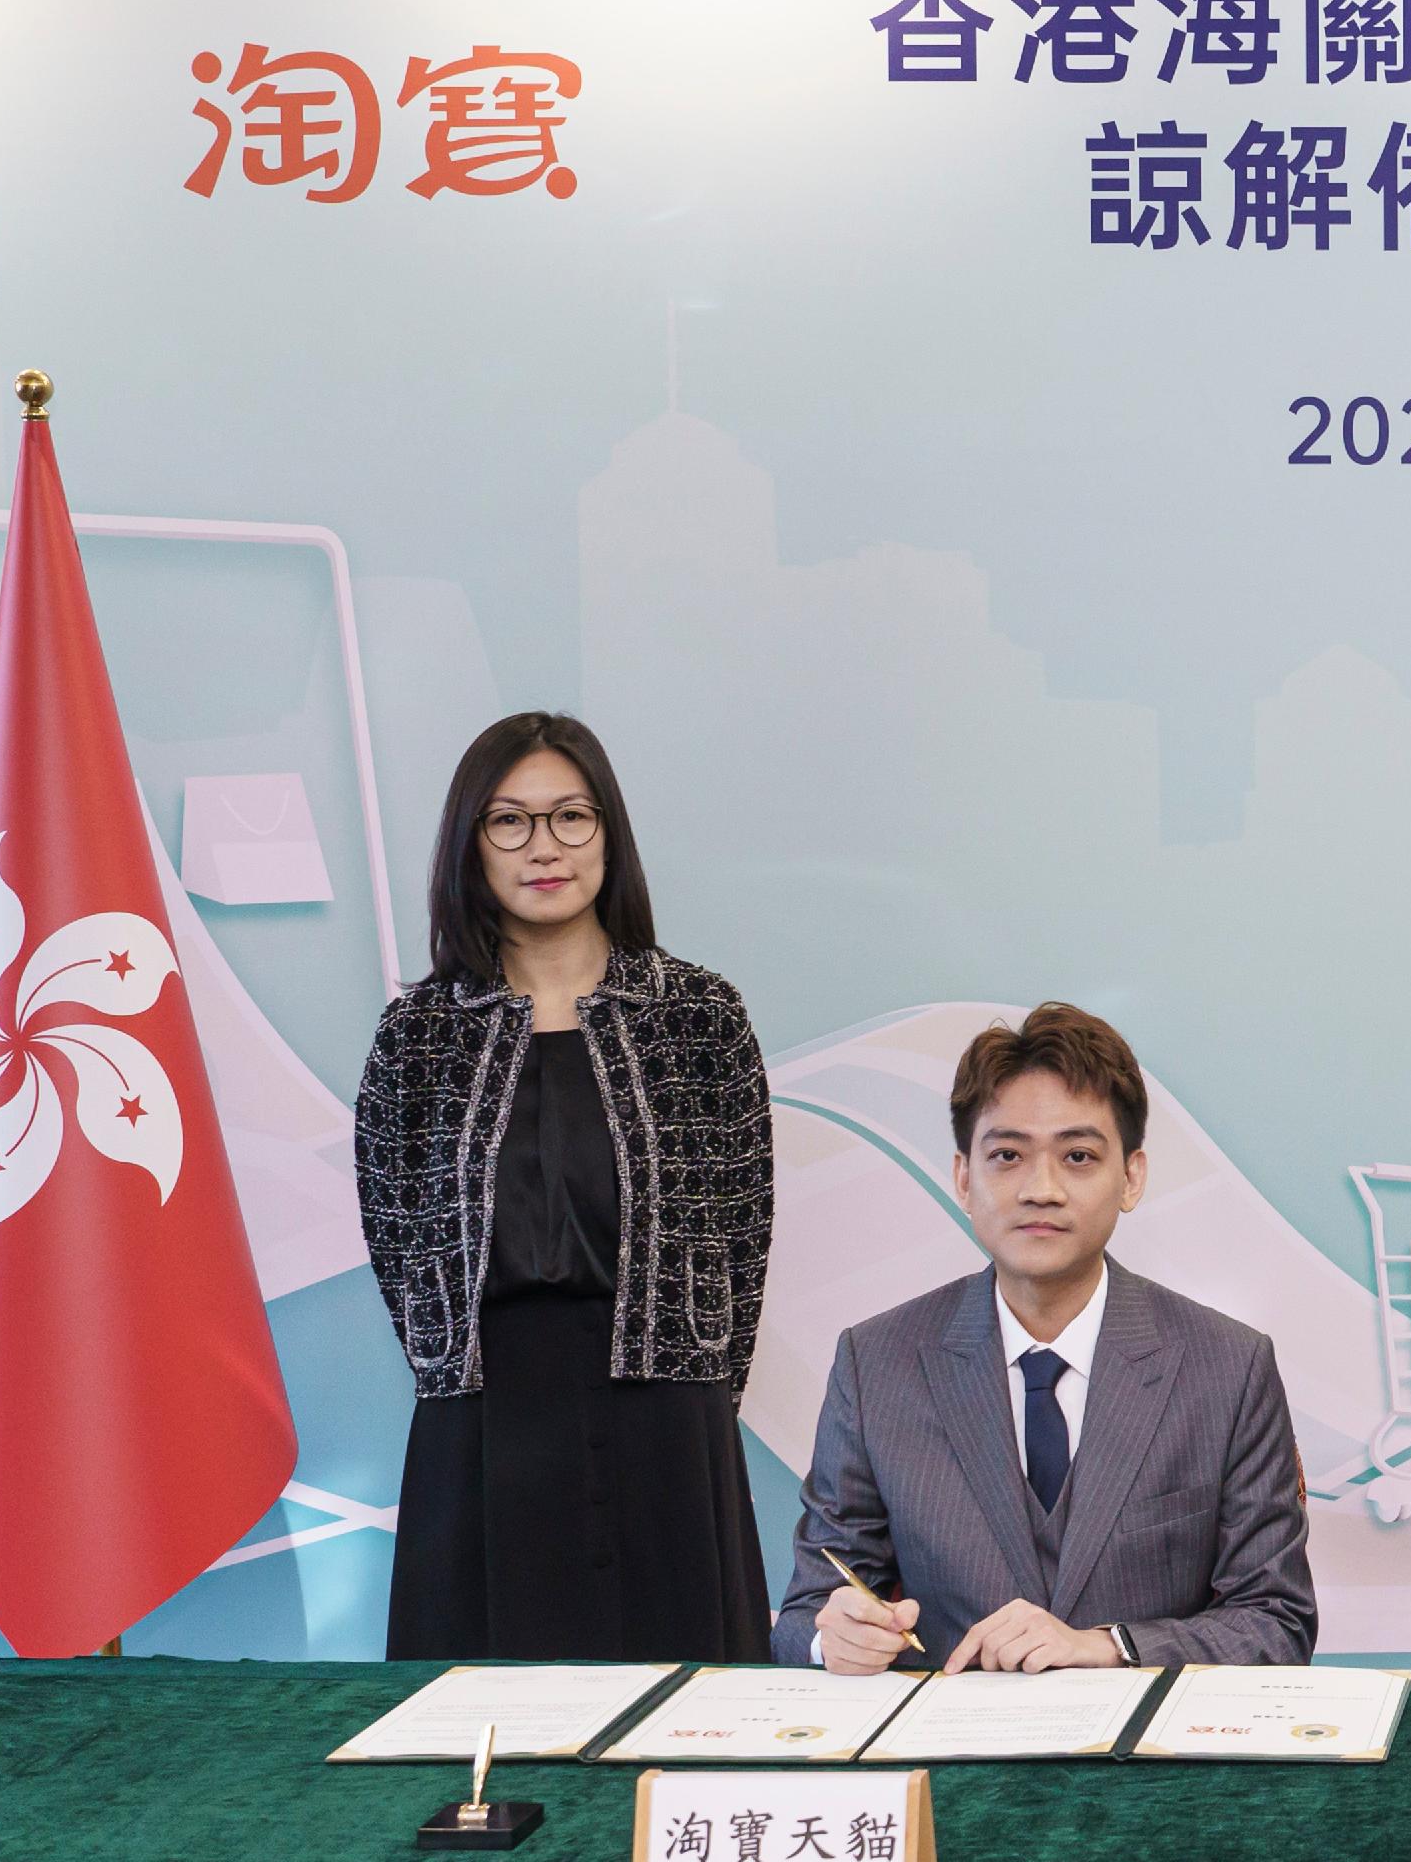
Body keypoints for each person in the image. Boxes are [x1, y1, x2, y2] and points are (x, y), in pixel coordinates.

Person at [358, 713, 775, 1661]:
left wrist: (694, 1383)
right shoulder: (417, 1034)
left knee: (685, 1710)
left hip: (667, 1415)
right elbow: (397, 1237)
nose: (544, 847)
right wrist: (453, 1362)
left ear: (608, 834)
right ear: (471, 845)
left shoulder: (700, 1015)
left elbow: (743, 1233)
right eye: (510, 821)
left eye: (571, 817)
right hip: (483, 1419)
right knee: (483, 1713)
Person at [775, 1002, 1316, 1673]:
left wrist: (1108, 1646)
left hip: (1143, 1738)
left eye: (1078, 1156)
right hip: (950, 1735)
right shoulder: (877, 1363)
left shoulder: (1229, 1367)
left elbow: (1276, 1622)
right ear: (964, 1178)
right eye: (1007, 1155)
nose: (1042, 1188)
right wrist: (834, 1639)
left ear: (1132, 1177)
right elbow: (805, 1613)